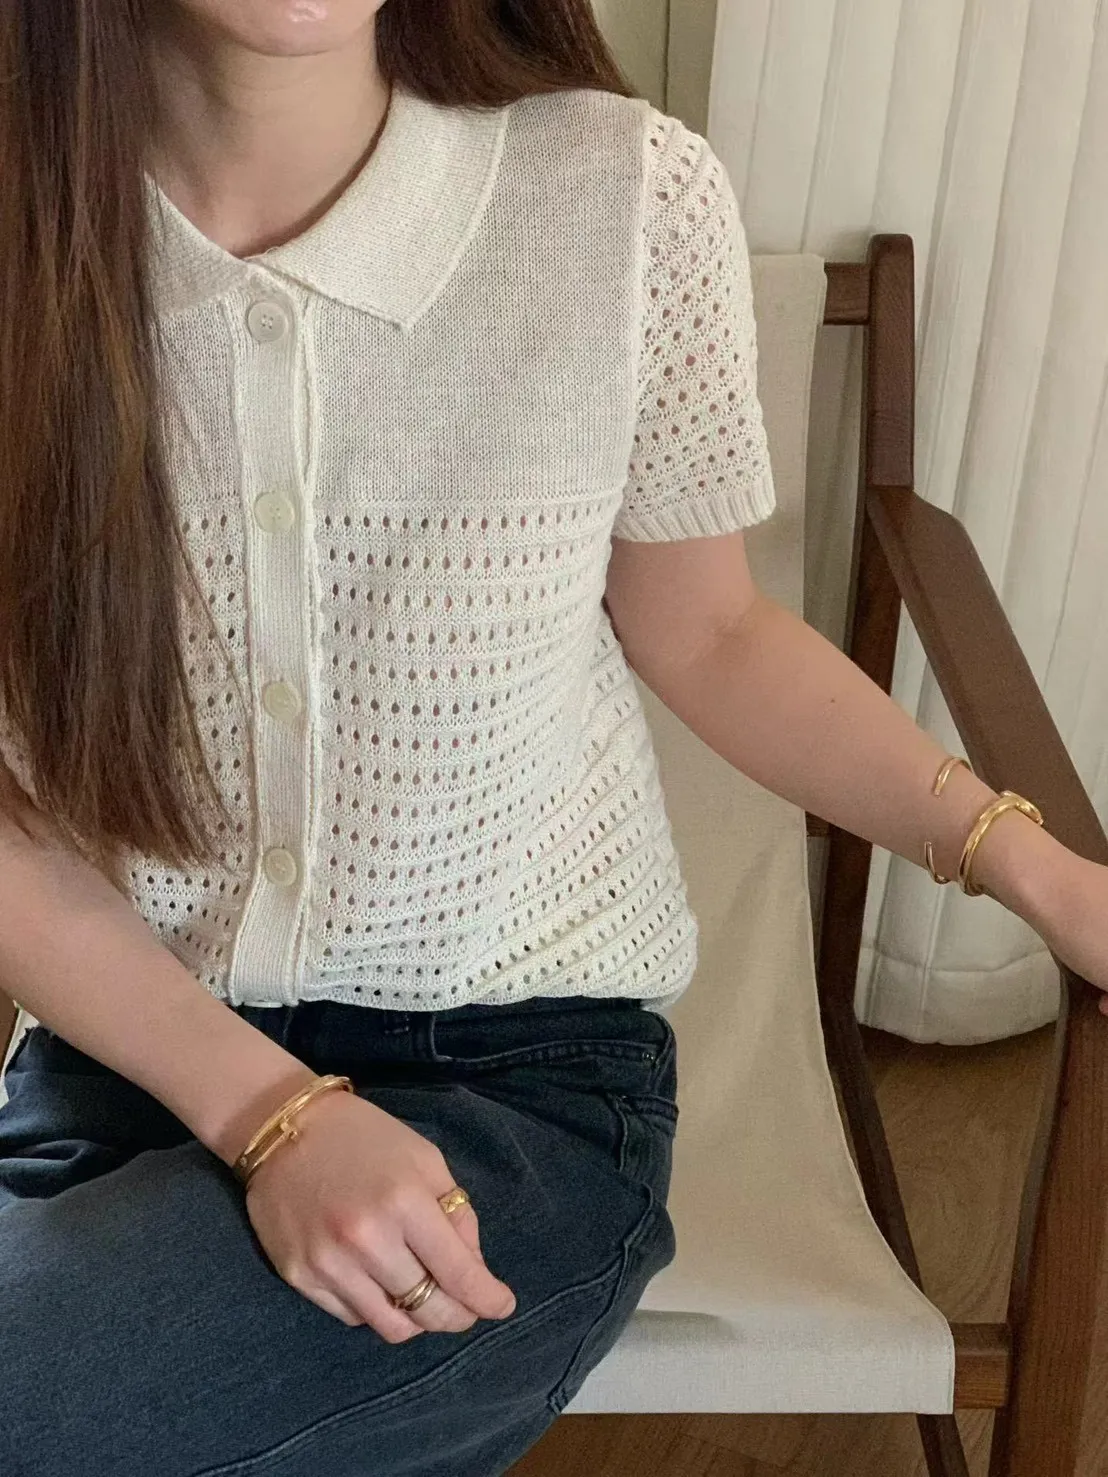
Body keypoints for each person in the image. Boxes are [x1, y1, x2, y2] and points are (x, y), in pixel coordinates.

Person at [0, 2, 1105, 1474]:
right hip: (124, 1057)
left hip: (515, 1090)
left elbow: (712, 635)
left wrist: (1030, 866)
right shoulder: (24, 236)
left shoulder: (621, 202)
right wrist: (272, 1117)